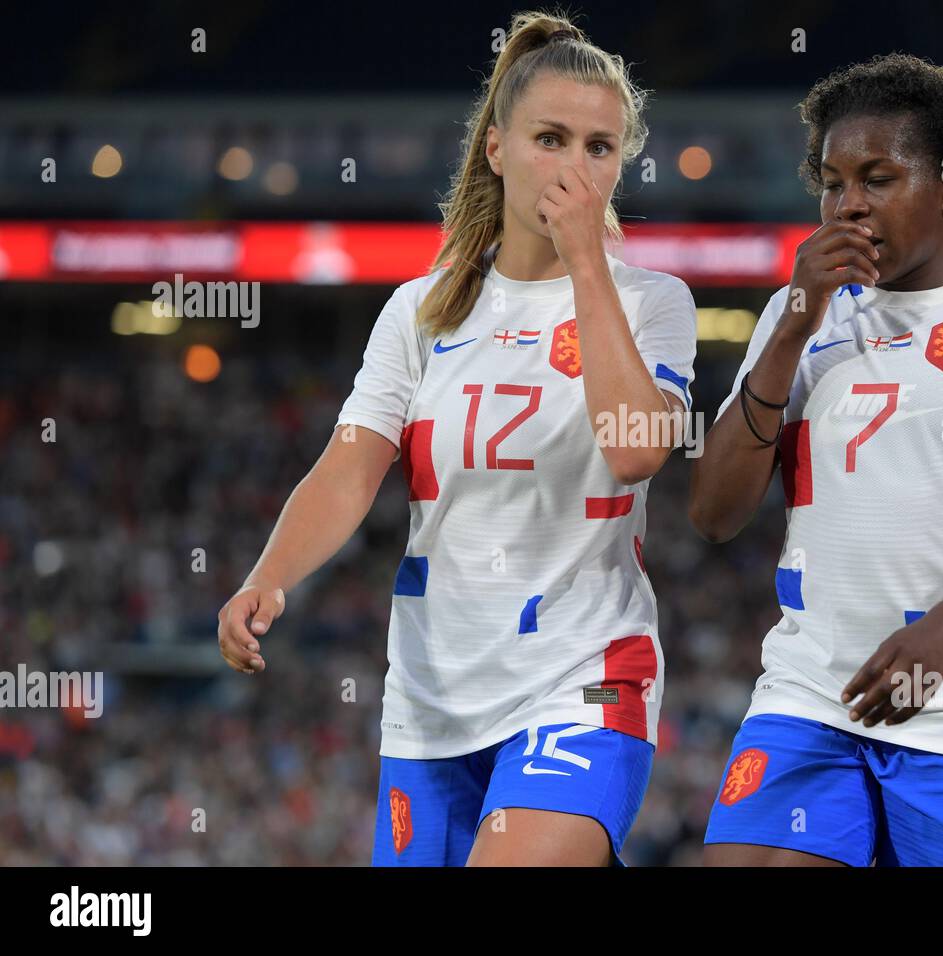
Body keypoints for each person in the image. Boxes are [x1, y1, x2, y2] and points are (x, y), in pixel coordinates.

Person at [215, 11, 697, 867]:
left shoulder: (653, 302)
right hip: (433, 699)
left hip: (581, 678)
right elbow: (349, 470)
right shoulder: (423, 309)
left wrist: (587, 263)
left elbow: (633, 451)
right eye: (551, 138)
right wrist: (268, 577)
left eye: (600, 147)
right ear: (497, 149)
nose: (576, 168)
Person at [689, 53, 943, 866]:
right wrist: (793, 326)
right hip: (810, 696)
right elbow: (712, 513)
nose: (848, 206)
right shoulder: (795, 317)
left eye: (877, 179)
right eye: (833, 183)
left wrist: (939, 637)